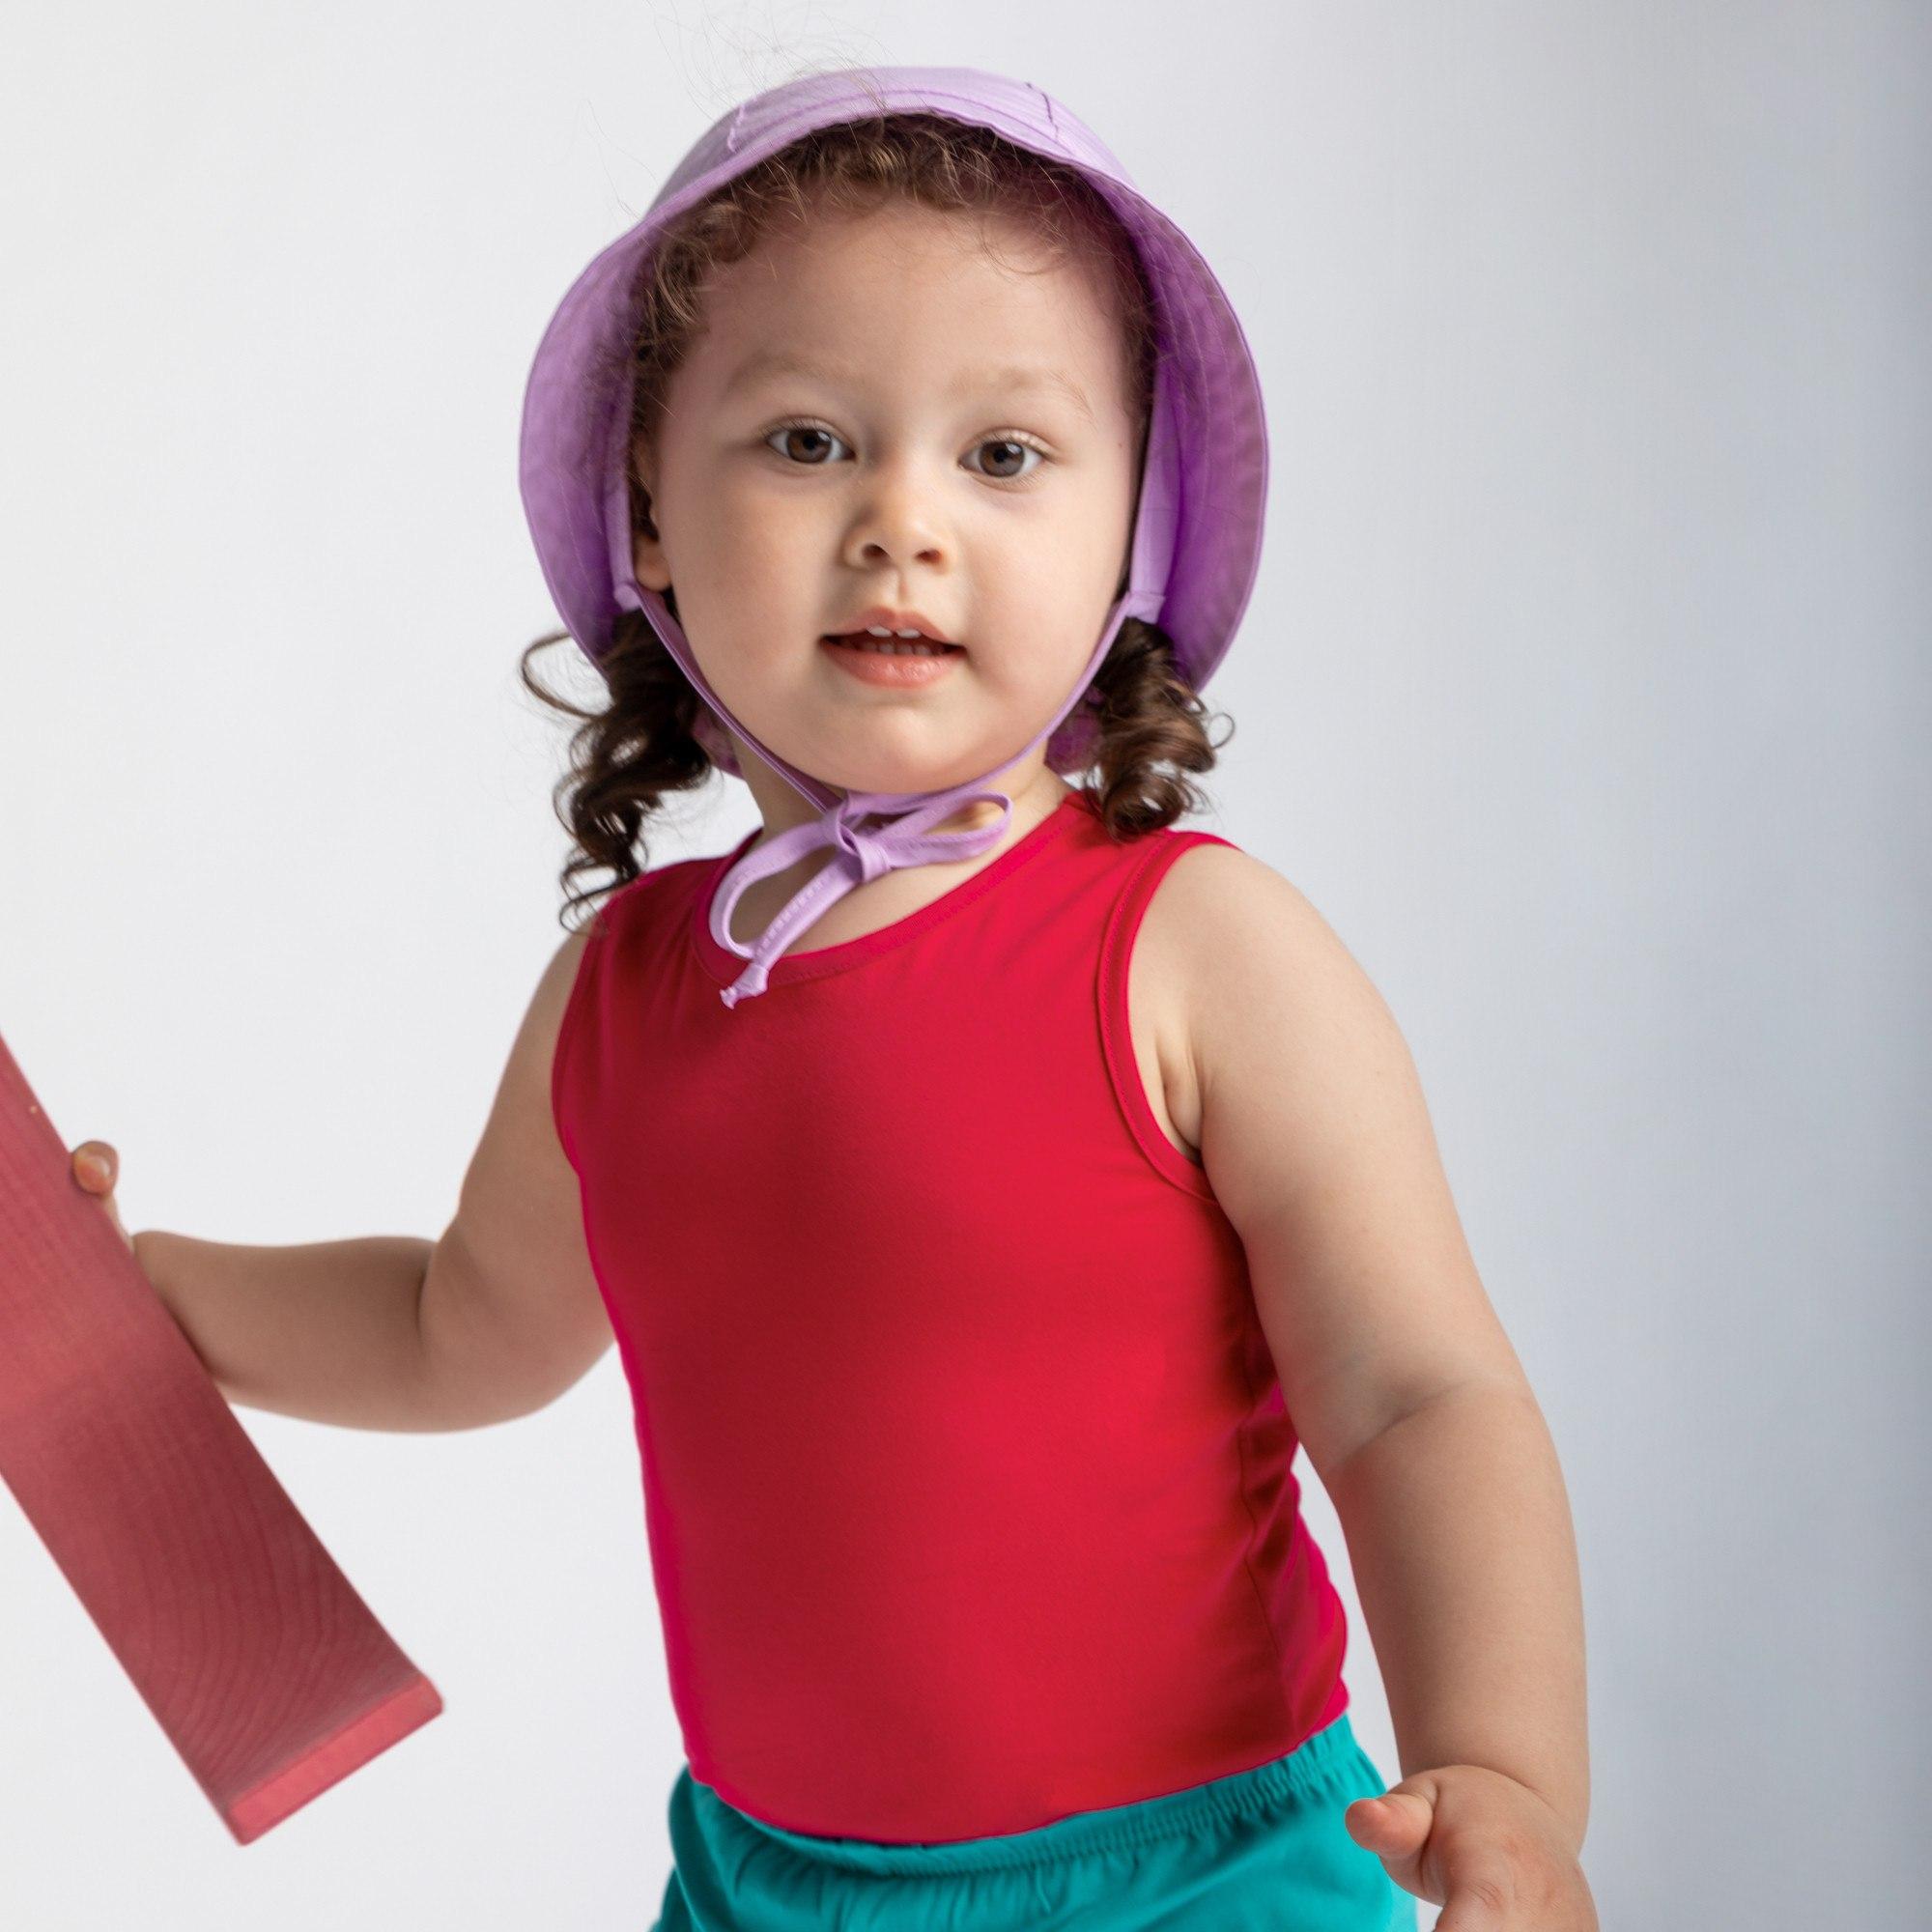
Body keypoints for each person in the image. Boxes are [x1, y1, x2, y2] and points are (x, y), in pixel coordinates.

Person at [77, 63, 1597, 1931]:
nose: (901, 521)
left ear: (1135, 533)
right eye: (805, 442)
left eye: (1005, 456)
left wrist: (1510, 1776)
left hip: (1200, 1879)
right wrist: (128, 1303)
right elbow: (450, 1324)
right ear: (648, 513)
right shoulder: (624, 993)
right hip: (762, 1885)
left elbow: (1416, 1394)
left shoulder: (1200, 954)